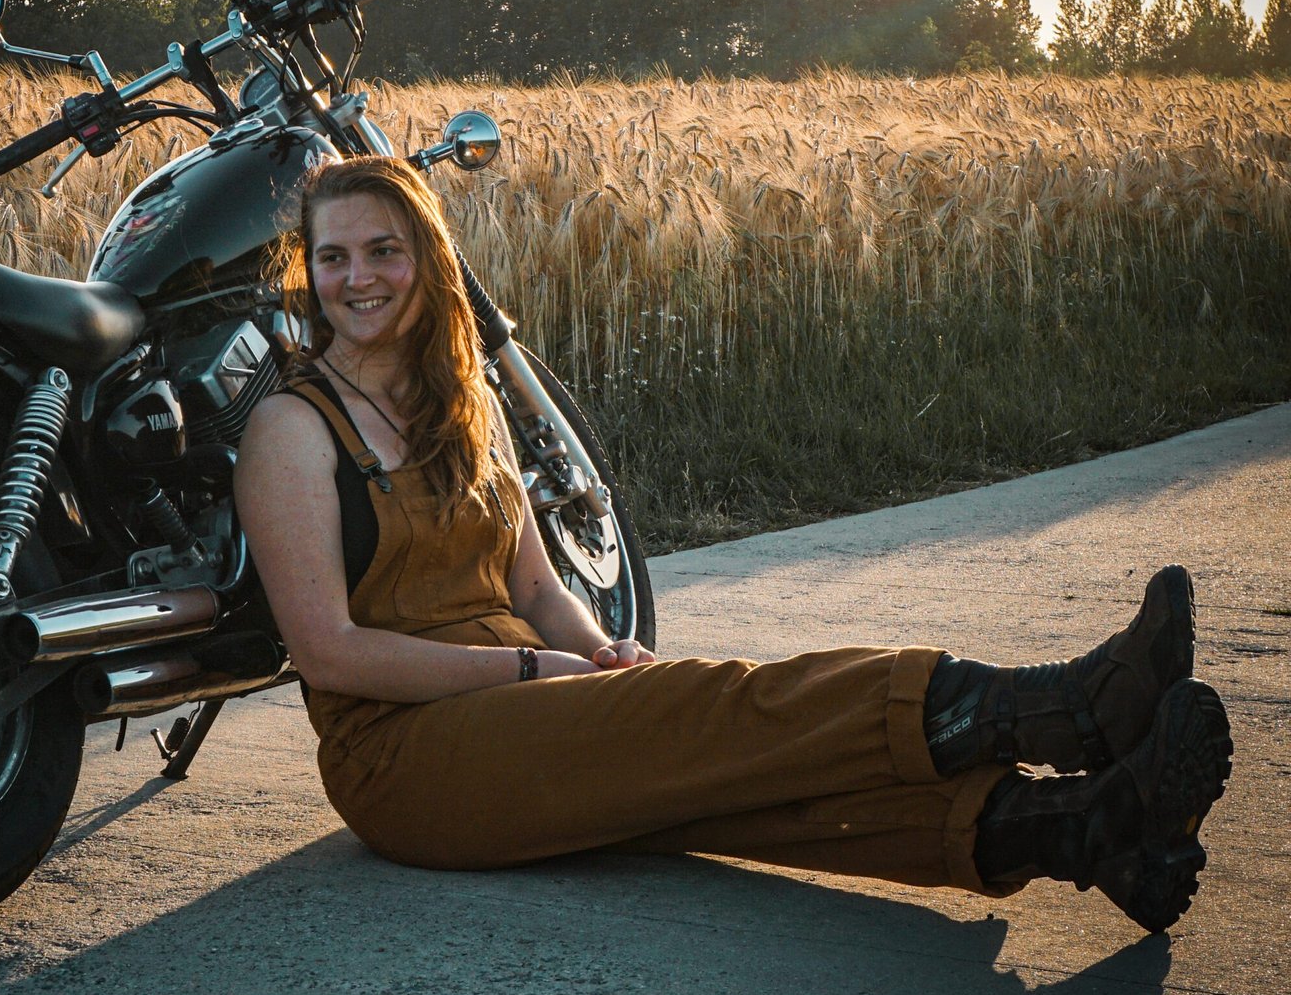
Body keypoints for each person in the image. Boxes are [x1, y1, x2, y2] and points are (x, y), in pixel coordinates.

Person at [234, 156, 1233, 933]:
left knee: (727, 783)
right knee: (716, 705)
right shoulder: (294, 424)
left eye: (383, 250)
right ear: (307, 267)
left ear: (428, 261)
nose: (358, 277)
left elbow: (536, 581)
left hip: (526, 690)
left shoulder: (466, 396)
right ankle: (1059, 708)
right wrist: (536, 669)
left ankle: (1084, 833)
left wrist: (594, 650)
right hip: (405, 758)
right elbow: (327, 651)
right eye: (333, 256)